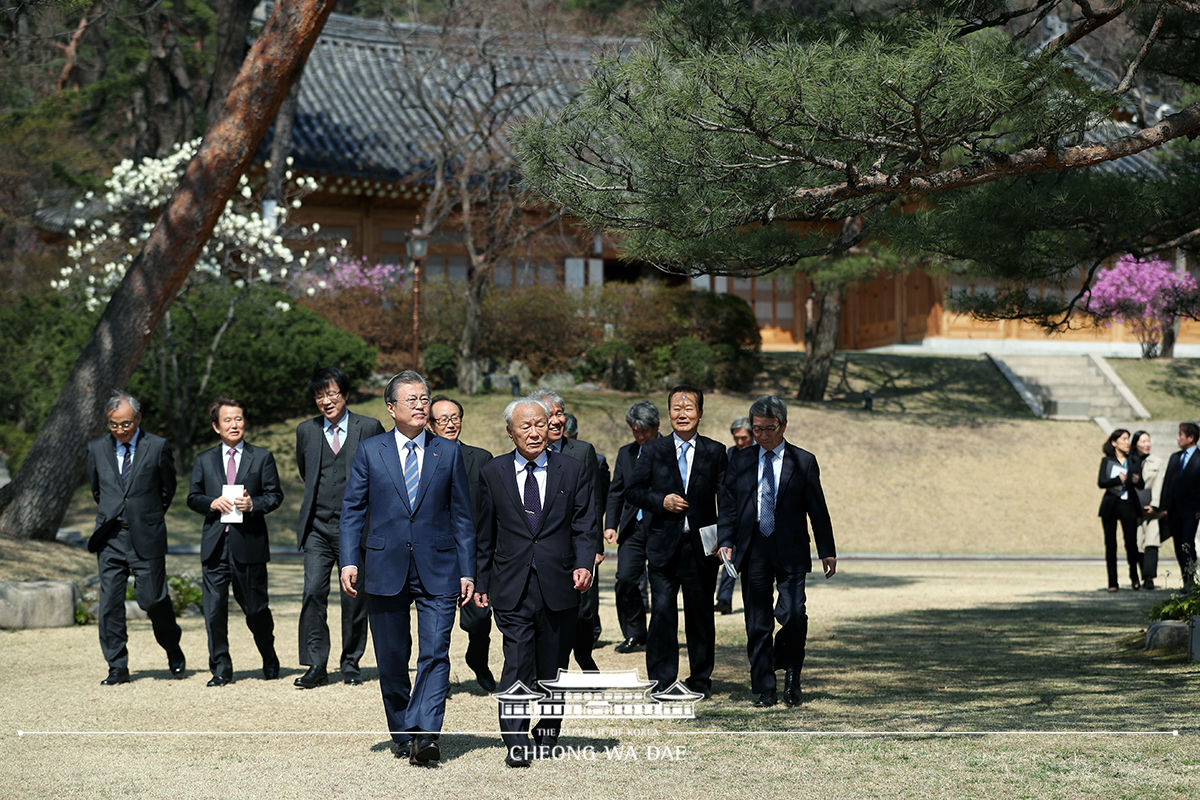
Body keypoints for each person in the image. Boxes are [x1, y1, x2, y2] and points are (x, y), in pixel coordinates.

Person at [339, 371, 475, 766]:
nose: (420, 405)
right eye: (412, 399)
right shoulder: (370, 450)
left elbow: (463, 517)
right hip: (383, 566)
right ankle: (403, 734)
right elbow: (352, 511)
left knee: (436, 653)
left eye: (424, 398)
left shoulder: (447, 452)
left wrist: (467, 570)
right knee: (393, 658)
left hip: (440, 565)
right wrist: (349, 559)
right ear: (391, 407)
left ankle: (426, 735)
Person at [474, 397, 595, 768]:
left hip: (560, 583)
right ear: (510, 432)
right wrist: (481, 582)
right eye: (524, 426)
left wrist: (584, 564)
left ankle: (548, 728)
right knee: (517, 661)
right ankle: (515, 739)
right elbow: (483, 534)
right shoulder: (492, 472)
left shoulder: (572, 469)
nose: (534, 432)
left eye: (540, 424)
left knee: (554, 666)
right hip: (510, 584)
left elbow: (585, 524)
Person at [718, 396, 836, 707]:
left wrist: (827, 550)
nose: (762, 435)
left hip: (792, 549)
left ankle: (791, 676)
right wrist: (725, 541)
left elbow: (818, 510)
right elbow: (728, 507)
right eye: (756, 429)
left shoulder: (803, 461)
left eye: (768, 429)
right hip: (753, 548)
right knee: (757, 621)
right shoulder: (740, 461)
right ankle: (764, 688)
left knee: (794, 614)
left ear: (782, 426)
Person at [627, 384, 727, 698]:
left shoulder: (715, 451)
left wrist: (725, 538)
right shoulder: (654, 450)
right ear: (668, 412)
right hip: (662, 546)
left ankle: (700, 679)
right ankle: (661, 680)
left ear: (700, 412)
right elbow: (634, 491)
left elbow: (727, 499)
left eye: (688, 408)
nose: (682, 414)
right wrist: (662, 501)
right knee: (663, 614)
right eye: (676, 409)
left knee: (700, 615)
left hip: (702, 548)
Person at [294, 366, 385, 689]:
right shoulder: (306, 430)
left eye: (332, 393)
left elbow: (382, 471)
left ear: (345, 395)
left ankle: (350, 662)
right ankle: (316, 664)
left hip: (358, 527)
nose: (326, 401)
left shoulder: (369, 427)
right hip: (318, 527)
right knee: (313, 592)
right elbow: (307, 473)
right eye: (320, 395)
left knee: (354, 597)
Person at [86, 391, 186, 685]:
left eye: (126, 424)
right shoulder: (96, 449)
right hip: (110, 538)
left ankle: (172, 646)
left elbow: (168, 489)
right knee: (110, 605)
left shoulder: (157, 446)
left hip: (146, 535)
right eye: (114, 425)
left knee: (152, 600)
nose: (120, 430)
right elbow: (97, 491)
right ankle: (117, 666)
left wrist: (147, 516)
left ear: (138, 418)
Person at [187, 398, 284, 686]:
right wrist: (210, 502)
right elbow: (192, 497)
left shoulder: (262, 457)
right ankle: (221, 667)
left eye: (239, 419)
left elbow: (275, 495)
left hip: (249, 544)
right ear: (216, 426)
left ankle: (268, 655)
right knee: (214, 610)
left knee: (255, 609)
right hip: (216, 545)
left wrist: (254, 504)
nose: (234, 425)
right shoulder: (204, 460)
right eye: (227, 420)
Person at [530, 389, 603, 671]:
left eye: (560, 413)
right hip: (542, 550)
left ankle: (584, 656)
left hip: (577, 548)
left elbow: (592, 504)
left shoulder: (582, 452)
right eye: (550, 415)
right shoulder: (524, 454)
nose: (557, 420)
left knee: (583, 611)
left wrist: (594, 548)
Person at [429, 393, 497, 691]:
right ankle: (435, 679)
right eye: (442, 419)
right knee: (435, 623)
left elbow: (493, 510)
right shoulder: (421, 459)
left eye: (454, 417)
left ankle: (478, 659)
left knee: (480, 617)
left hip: (475, 552)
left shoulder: (481, 459)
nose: (450, 424)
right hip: (435, 554)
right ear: (430, 425)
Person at [604, 400, 660, 653]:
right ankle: (634, 633)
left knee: (661, 584)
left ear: (656, 426)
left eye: (644, 430)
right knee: (625, 579)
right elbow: (616, 491)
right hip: (632, 529)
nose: (639, 435)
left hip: (661, 527)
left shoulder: (669, 449)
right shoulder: (626, 453)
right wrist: (611, 524)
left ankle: (661, 634)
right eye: (635, 430)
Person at [715, 416, 753, 615]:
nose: (739, 442)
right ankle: (723, 599)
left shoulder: (760, 454)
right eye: (736, 438)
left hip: (751, 518)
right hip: (730, 517)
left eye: (744, 438)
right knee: (728, 558)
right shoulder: (730, 454)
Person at [1096, 428, 1141, 592]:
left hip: (1128, 505)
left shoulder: (1134, 460)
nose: (1127, 442)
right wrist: (1117, 479)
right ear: (1114, 443)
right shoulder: (1107, 461)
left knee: (1131, 543)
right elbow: (1101, 482)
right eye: (1123, 439)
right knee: (1111, 545)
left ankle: (1135, 578)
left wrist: (1136, 480)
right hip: (1110, 505)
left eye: (1128, 439)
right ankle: (1113, 582)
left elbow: (1141, 483)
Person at [1160, 421, 1200, 588]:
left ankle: (1191, 581)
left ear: (1190, 438)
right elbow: (1167, 483)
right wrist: (1163, 507)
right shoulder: (1175, 458)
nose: (1178, 439)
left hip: (1192, 511)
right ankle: (1186, 581)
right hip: (1174, 511)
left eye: (1181, 435)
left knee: (1187, 544)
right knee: (1178, 545)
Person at [1129, 430, 1166, 591]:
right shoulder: (1129, 462)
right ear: (1135, 444)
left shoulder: (1157, 462)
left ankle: (1149, 577)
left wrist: (1155, 506)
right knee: (1137, 544)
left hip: (1152, 510)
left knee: (1151, 542)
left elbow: (1159, 484)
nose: (1147, 444)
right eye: (1143, 441)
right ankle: (1141, 575)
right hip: (1135, 511)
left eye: (1148, 441)